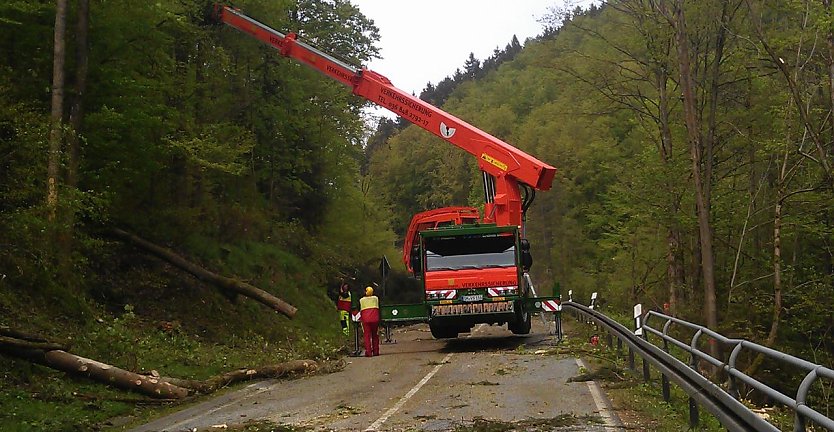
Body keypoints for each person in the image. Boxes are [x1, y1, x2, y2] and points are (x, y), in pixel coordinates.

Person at [359, 286, 380, 357]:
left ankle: (369, 352)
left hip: (366, 319)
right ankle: (376, 351)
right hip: (375, 319)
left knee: (367, 335)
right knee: (375, 335)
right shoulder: (376, 298)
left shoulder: (362, 300)